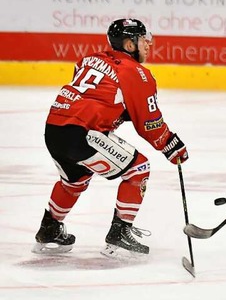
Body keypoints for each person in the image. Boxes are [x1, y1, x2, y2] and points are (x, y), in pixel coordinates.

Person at [33, 18, 189, 259]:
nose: (148, 44)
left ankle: (50, 228)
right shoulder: (137, 73)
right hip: (83, 133)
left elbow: (96, 97)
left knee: (74, 179)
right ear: (129, 45)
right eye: (142, 40)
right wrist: (170, 145)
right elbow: (149, 124)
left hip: (54, 129)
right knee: (139, 168)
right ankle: (120, 231)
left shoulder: (89, 59)